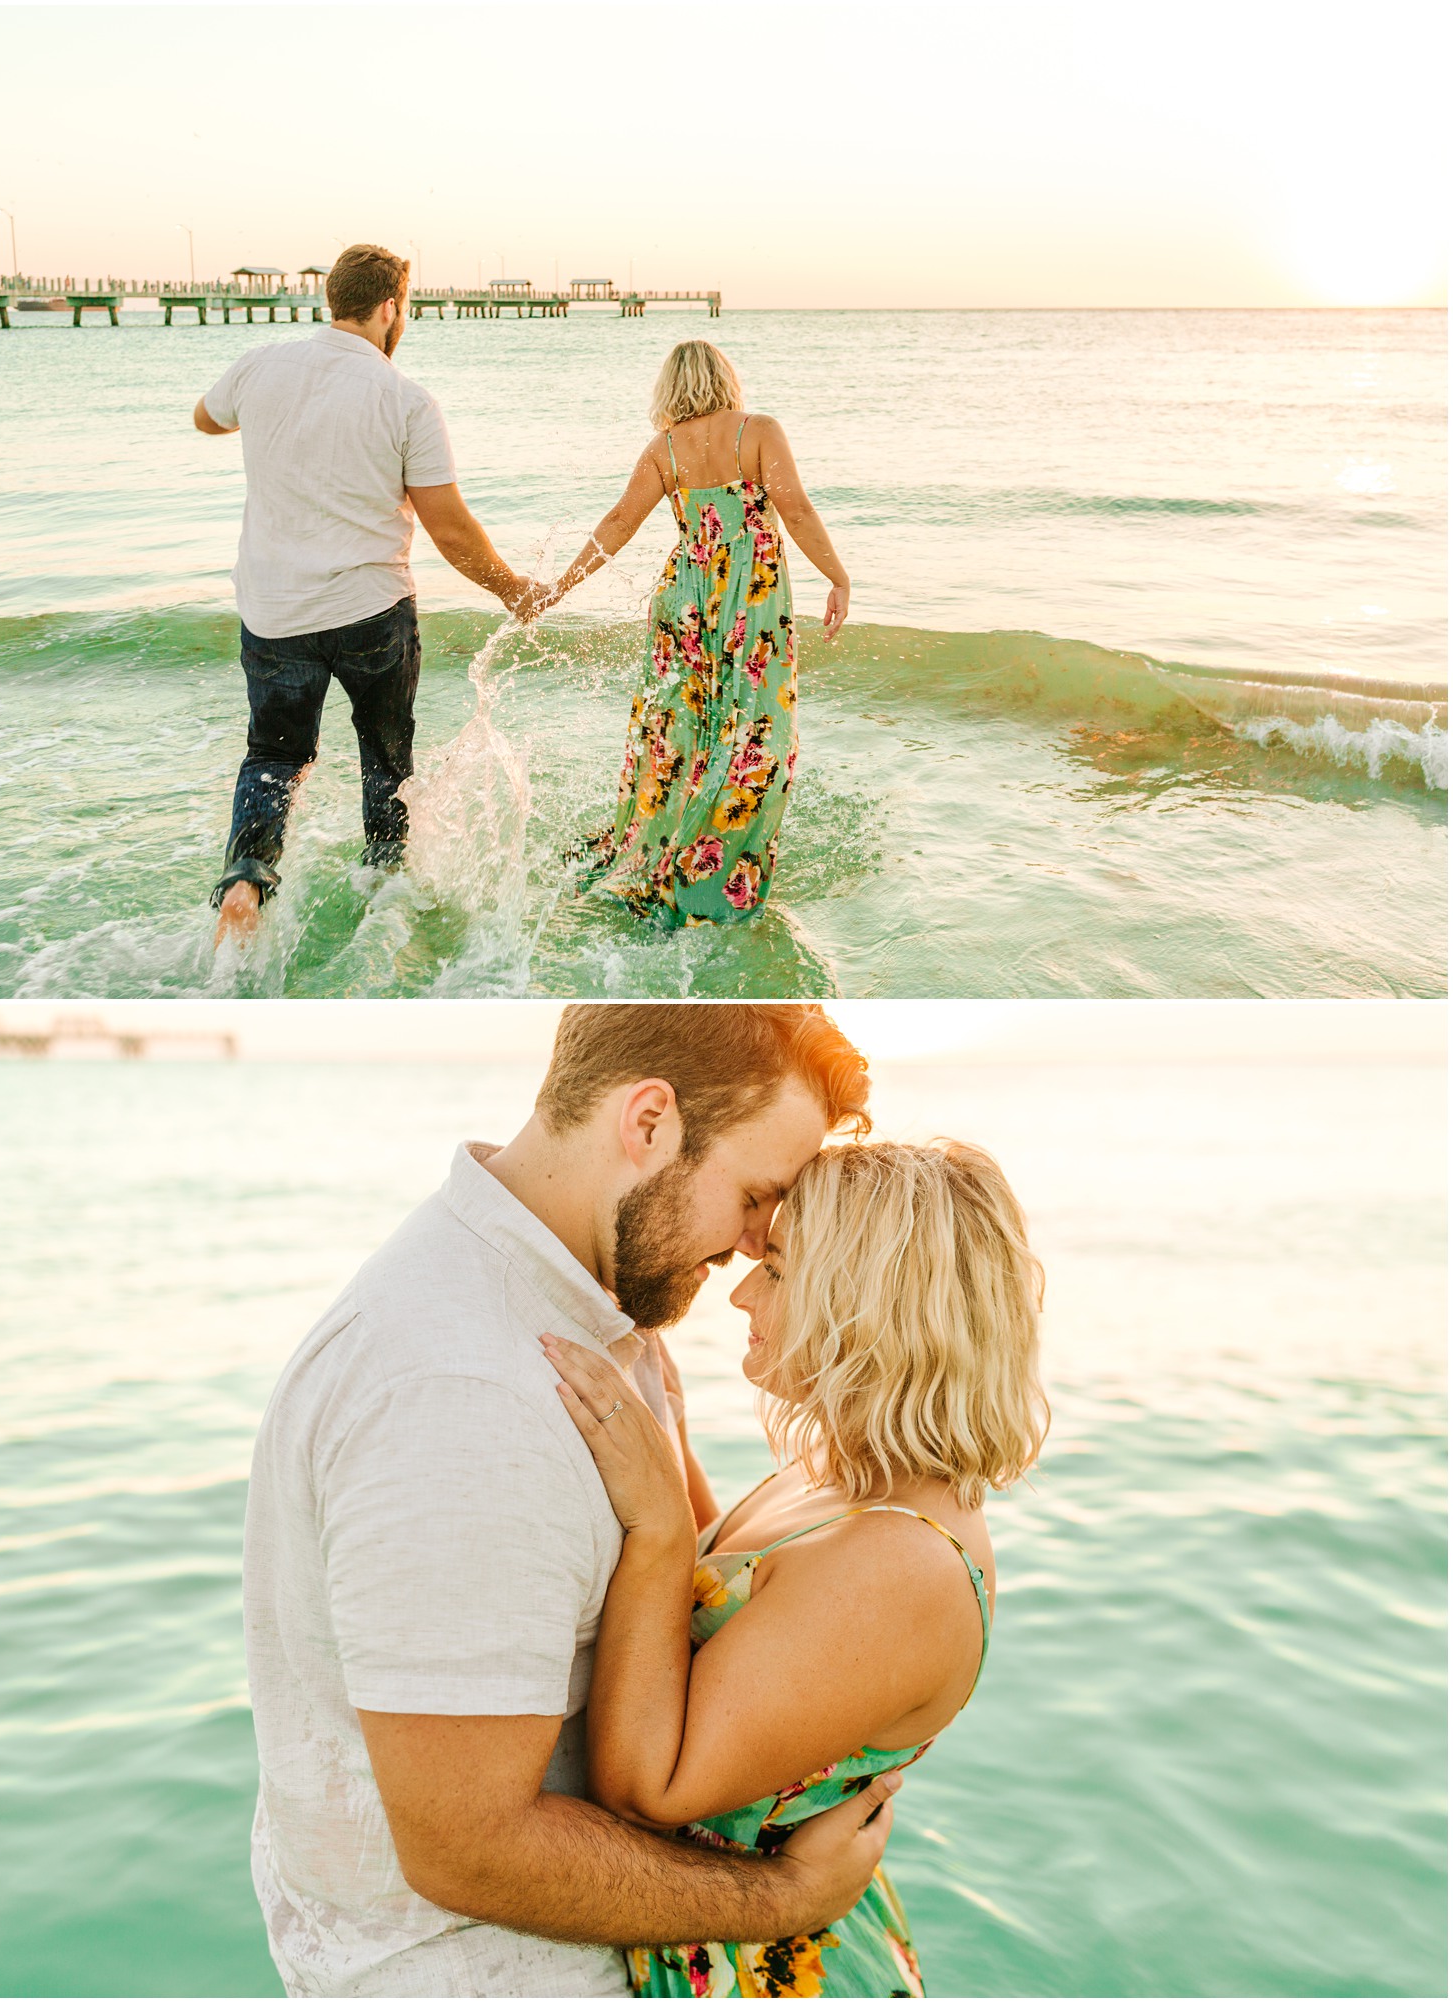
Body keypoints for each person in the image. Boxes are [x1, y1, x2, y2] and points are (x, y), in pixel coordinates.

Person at [242, 1002, 908, 1998]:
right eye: (755, 1193)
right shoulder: (459, 1395)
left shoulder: (589, 1310)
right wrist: (783, 1901)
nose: (758, 1241)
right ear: (647, 1121)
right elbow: (467, 1848)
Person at [545, 1137, 1050, 1997]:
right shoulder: (850, 1472)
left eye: (775, 1269)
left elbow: (647, 1787)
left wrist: (659, 1521)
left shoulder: (902, 1564)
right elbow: (741, 1611)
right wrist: (673, 1449)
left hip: (771, 1966)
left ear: (868, 1306)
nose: (741, 1290)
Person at [193, 242, 537, 950]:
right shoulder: (406, 399)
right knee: (387, 761)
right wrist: (512, 590)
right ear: (390, 308)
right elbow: (450, 529)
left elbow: (205, 417)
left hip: (275, 611)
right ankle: (385, 891)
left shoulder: (260, 365)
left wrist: (266, 418)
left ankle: (246, 878)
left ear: (331, 300)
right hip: (372, 612)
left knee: (273, 755)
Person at [538, 340, 852, 927]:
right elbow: (798, 510)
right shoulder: (758, 430)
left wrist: (558, 587)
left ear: (670, 389)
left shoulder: (664, 449)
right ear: (724, 379)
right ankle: (716, 878)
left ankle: (660, 856)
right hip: (749, 601)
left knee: (675, 735)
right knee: (757, 732)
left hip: (684, 599)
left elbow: (618, 522)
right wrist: (837, 576)